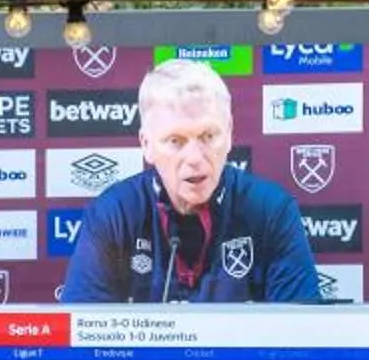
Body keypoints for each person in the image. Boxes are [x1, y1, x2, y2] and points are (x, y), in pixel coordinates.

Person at [58, 57, 322, 304]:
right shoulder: (113, 214)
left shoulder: (271, 210)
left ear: (229, 133)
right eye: (175, 141)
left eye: (208, 136)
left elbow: (301, 335)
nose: (195, 157)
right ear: (146, 145)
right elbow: (81, 335)